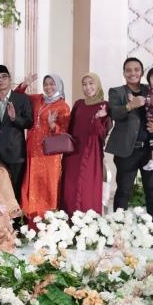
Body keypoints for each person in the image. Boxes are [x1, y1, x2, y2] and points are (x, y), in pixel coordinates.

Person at [106, 57, 153, 224]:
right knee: (123, 191)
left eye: (136, 69)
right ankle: (118, 229)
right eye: (128, 70)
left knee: (152, 191)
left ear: (141, 72)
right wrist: (130, 105)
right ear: (124, 73)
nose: (132, 73)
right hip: (127, 150)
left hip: (150, 151)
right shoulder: (117, 92)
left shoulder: (152, 89)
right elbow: (114, 113)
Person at [18, 74, 71, 223]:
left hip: (49, 154)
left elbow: (65, 133)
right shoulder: (37, 99)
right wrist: (25, 84)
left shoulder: (63, 106)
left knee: (47, 185)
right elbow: (17, 97)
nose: (48, 87)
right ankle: (30, 222)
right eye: (46, 84)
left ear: (58, 85)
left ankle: (47, 222)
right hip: (31, 150)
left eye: (52, 84)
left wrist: (53, 125)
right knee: (31, 184)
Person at [60, 73, 110, 216]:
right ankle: (68, 221)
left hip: (91, 151)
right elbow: (69, 128)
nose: (88, 87)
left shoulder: (104, 105)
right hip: (73, 152)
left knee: (87, 186)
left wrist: (98, 118)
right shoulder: (78, 104)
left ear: (97, 84)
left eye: (91, 83)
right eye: (84, 84)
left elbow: (102, 133)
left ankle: (87, 222)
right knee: (70, 186)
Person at [0, 64, 33, 199]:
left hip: (15, 152)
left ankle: (16, 213)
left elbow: (29, 122)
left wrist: (14, 118)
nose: (1, 80)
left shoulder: (22, 99)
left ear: (10, 79)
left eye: (4, 77)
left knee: (15, 190)